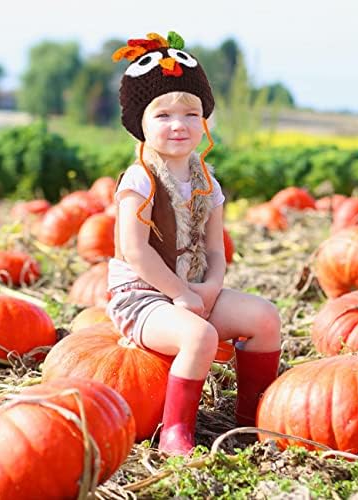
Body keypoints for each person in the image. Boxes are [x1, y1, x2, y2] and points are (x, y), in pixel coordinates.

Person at [107, 31, 281, 456]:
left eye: (190, 113)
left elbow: (217, 249)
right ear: (139, 124)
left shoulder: (207, 183)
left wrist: (209, 288)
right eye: (162, 115)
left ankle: (252, 418)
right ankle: (175, 430)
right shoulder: (140, 181)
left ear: (204, 118)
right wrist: (181, 294)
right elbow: (136, 251)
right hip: (142, 298)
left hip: (196, 290)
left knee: (265, 318)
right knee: (200, 337)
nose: (179, 124)